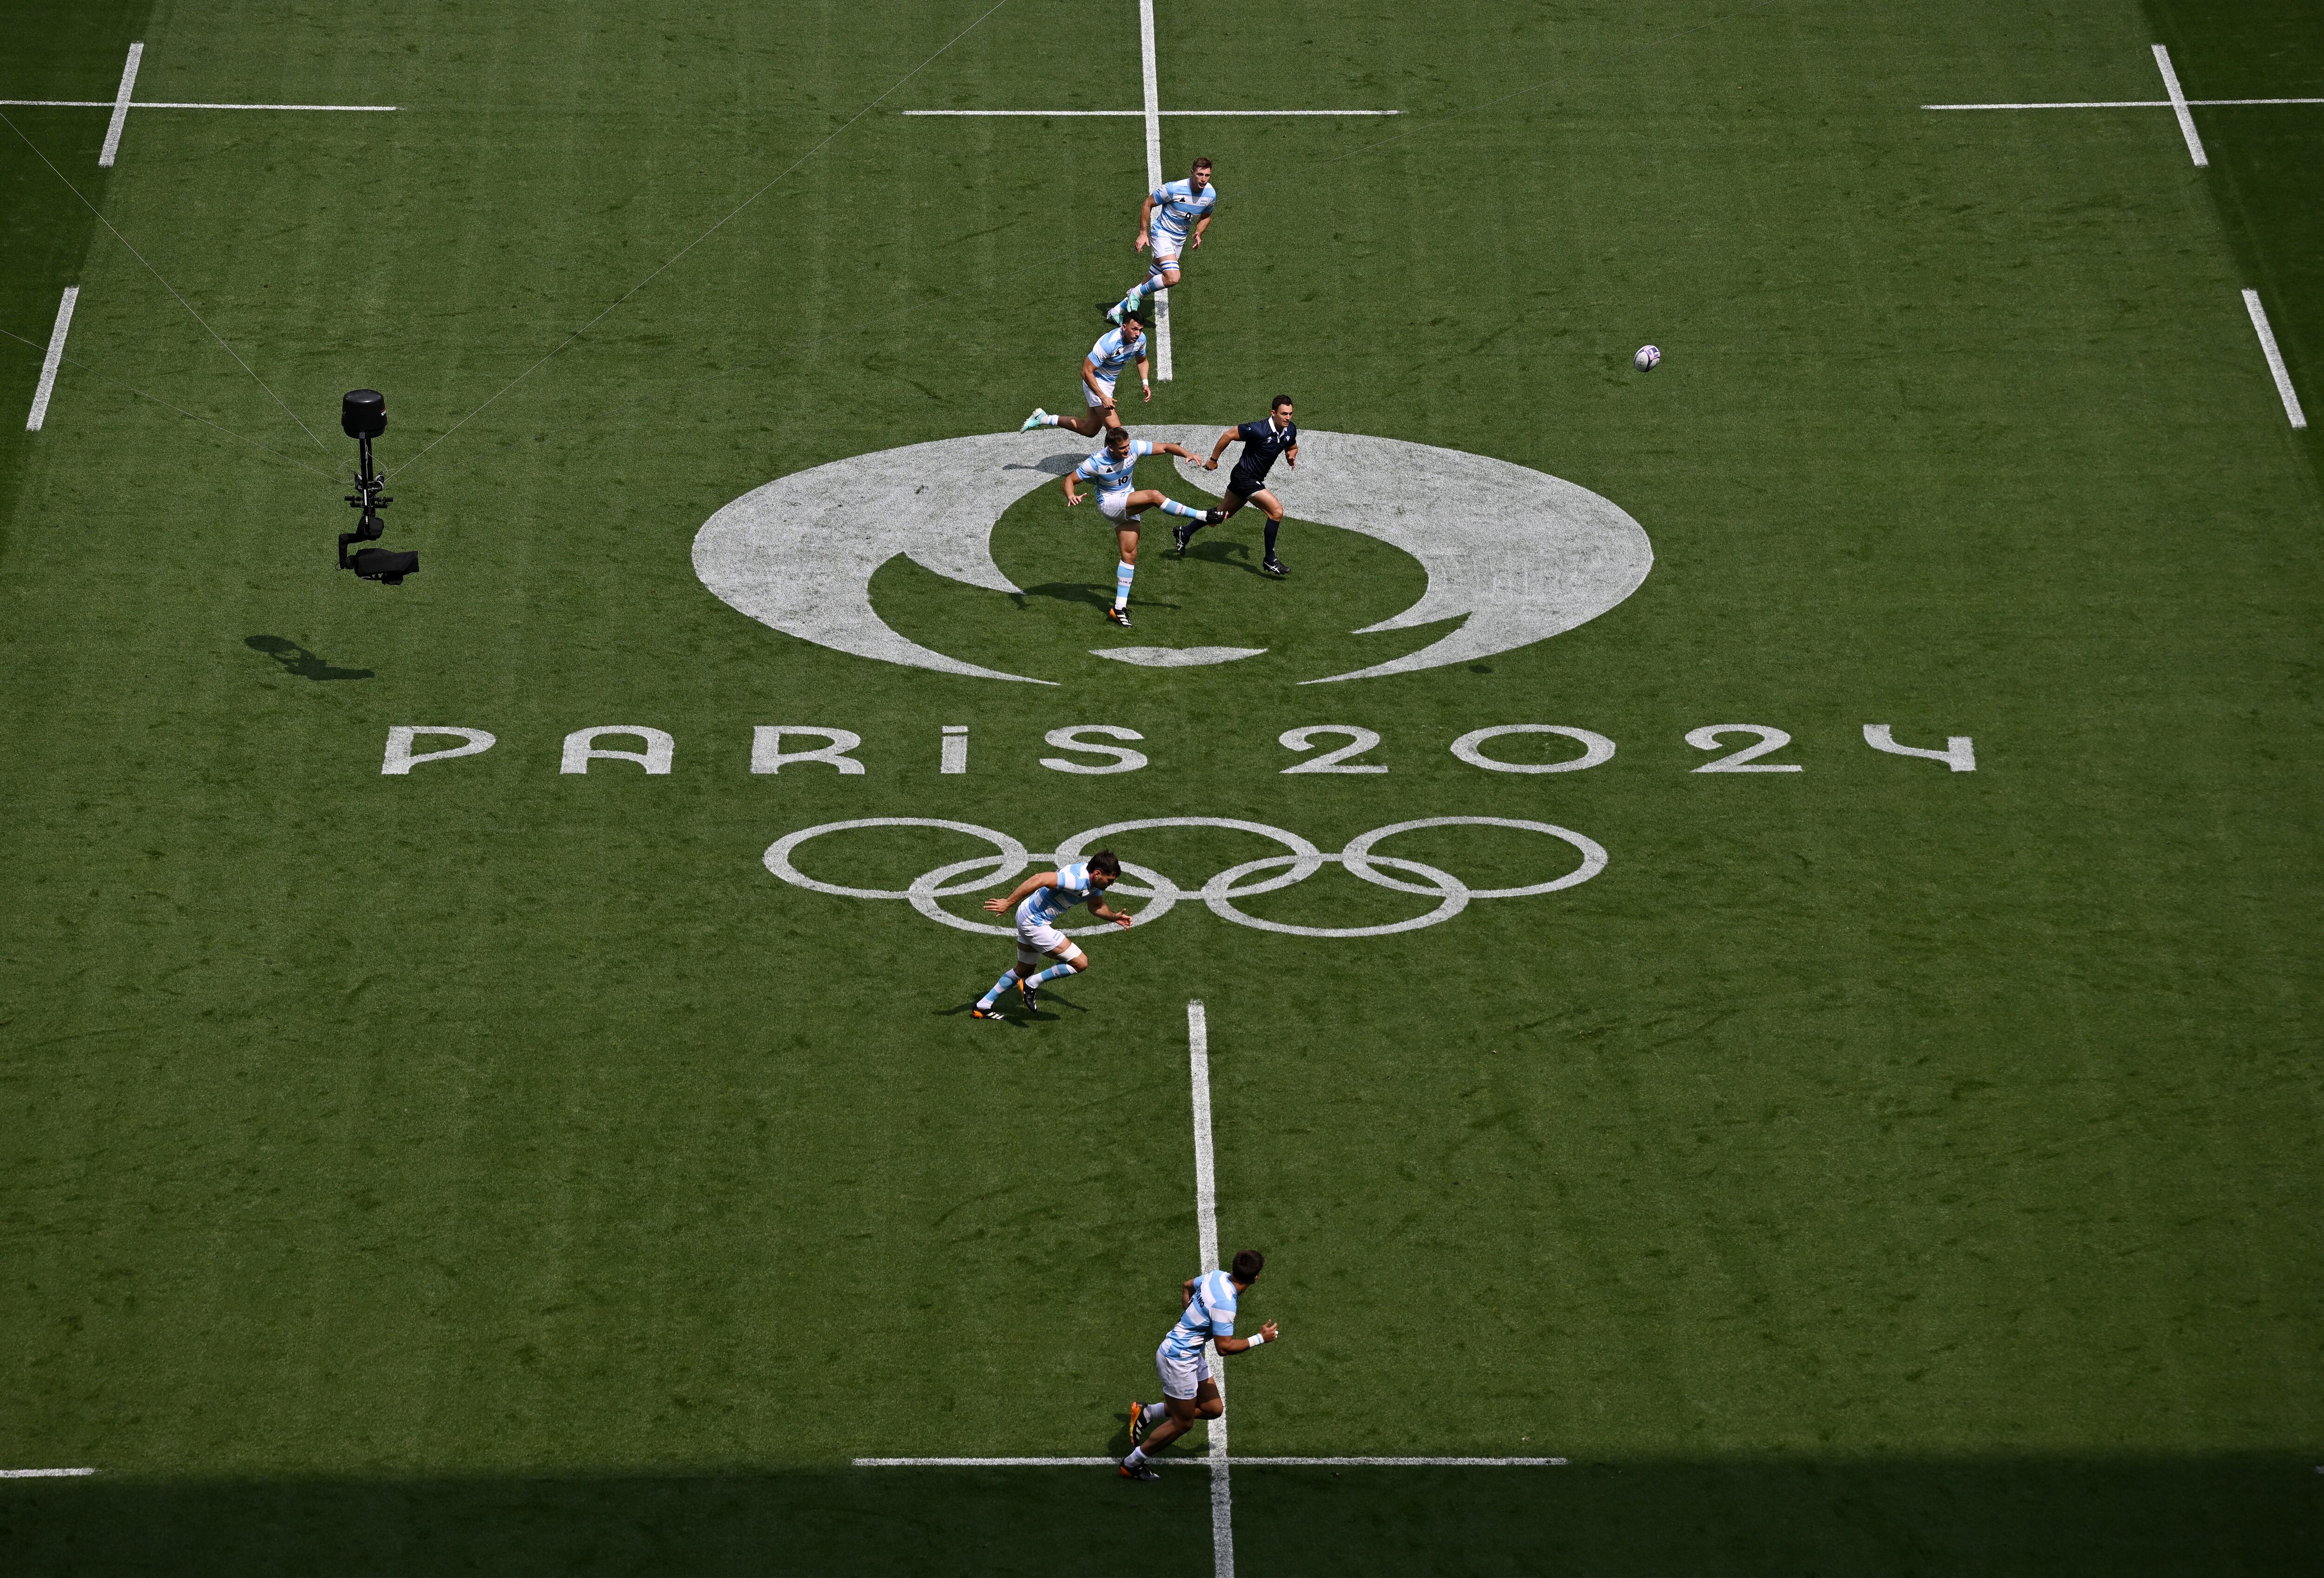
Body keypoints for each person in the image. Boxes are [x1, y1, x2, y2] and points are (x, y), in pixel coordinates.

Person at [1122, 1249, 1278, 1480]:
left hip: (1191, 1355)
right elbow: (1224, 1348)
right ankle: (1131, 1464)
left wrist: (1191, 1315)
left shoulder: (1217, 1276)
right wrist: (1260, 1339)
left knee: (1213, 1409)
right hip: (1178, 1360)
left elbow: (1187, 1286)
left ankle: (1148, 1411)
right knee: (1183, 1423)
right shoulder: (1226, 1304)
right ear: (1256, 1278)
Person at [1063, 426, 1222, 628]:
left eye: (1128, 445)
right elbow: (1070, 480)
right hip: (1110, 505)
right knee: (1154, 496)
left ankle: (1119, 608)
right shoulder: (1096, 462)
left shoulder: (1134, 448)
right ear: (1110, 448)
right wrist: (1071, 495)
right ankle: (1204, 516)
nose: (1127, 451)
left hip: (1128, 503)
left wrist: (1187, 453)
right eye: (1122, 448)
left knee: (1129, 554)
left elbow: (1165, 447)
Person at [972, 852, 1131, 1019]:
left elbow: (1096, 906)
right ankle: (1031, 983)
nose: (1112, 884)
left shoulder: (1094, 882)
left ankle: (984, 1005)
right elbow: (1040, 878)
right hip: (1033, 923)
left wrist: (1115, 917)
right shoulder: (1076, 881)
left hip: (1026, 914)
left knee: (1024, 969)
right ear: (1098, 874)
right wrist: (1008, 902)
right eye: (1110, 880)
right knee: (1080, 963)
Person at [1175, 395, 1299, 577]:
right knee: (1276, 512)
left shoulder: (1290, 430)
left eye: (1290, 414)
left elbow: (1292, 446)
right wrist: (1213, 459)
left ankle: (1184, 532)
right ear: (1273, 414)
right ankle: (1270, 559)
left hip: (1252, 479)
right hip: (1244, 478)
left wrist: (1291, 456)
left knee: (1222, 514)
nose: (1288, 418)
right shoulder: (1258, 429)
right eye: (1284, 414)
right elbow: (1229, 435)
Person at [1103, 158, 1217, 325]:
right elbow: (1148, 204)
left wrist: (1199, 232)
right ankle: (1136, 295)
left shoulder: (1210, 194)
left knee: (1151, 280)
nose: (1203, 179)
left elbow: (1206, 216)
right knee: (1173, 278)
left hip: (1179, 240)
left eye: (1207, 175)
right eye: (1200, 174)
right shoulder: (1173, 189)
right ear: (1192, 173)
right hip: (1162, 234)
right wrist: (1143, 234)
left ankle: (1116, 312)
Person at [1023, 318, 1149, 438]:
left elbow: (1142, 361)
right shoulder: (1108, 345)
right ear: (1124, 327)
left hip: (1110, 382)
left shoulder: (1141, 340)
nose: (1138, 334)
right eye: (1135, 329)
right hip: (1095, 381)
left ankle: (1044, 418)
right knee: (1116, 430)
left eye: (1141, 330)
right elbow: (1086, 372)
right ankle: (1109, 460)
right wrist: (1103, 397)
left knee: (1090, 429)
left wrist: (1145, 383)